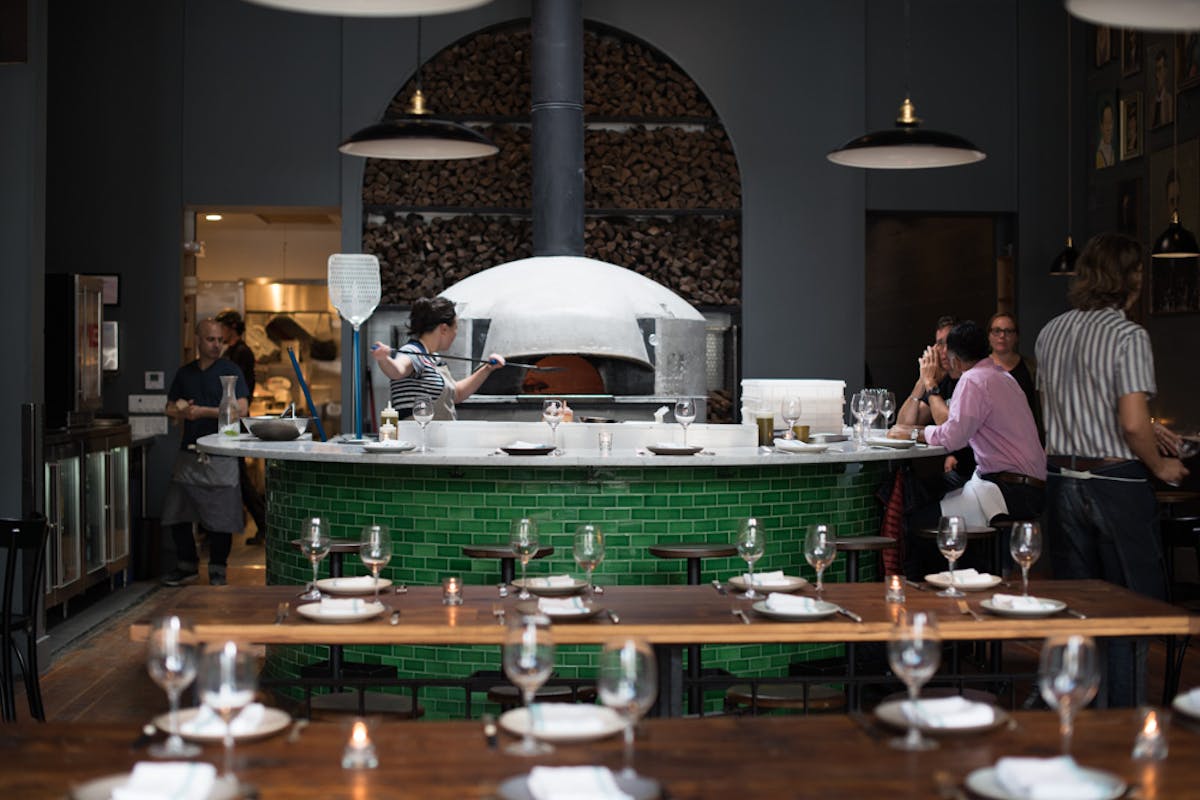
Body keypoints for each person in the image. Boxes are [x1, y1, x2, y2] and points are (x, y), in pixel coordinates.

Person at [1035, 232, 1189, 706]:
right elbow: (1131, 422)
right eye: (1139, 270)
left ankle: (1081, 713)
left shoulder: (1050, 332)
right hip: (1114, 483)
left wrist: (1138, 432)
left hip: (1061, 481)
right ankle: (1123, 720)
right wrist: (1161, 463)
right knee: (1128, 610)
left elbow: (1053, 410)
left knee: (1078, 609)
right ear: (1129, 278)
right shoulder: (1128, 335)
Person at [899, 321, 1046, 524]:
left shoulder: (972, 379)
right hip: (1030, 487)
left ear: (956, 361)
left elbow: (953, 437)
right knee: (930, 500)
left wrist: (913, 433)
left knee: (916, 522)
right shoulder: (1003, 376)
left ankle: (955, 554)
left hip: (1010, 490)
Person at [160, 319, 250, 586]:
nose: (216, 345)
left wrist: (203, 412)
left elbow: (242, 409)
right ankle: (186, 565)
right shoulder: (185, 373)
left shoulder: (230, 371)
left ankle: (218, 569)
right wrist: (181, 410)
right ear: (197, 340)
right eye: (211, 340)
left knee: (221, 517)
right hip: (189, 452)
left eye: (220, 340)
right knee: (177, 512)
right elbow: (168, 407)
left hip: (222, 454)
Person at [369, 296, 505, 420]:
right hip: (417, 441)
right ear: (444, 329)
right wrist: (383, 359)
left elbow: (456, 393)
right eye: (455, 328)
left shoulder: (434, 358)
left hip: (438, 440)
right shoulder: (412, 351)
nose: (456, 334)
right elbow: (397, 370)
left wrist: (487, 368)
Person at [897, 314, 976, 486]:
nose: (941, 350)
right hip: (959, 471)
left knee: (915, 495)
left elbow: (951, 426)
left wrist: (930, 383)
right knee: (906, 487)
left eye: (946, 342)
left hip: (978, 473)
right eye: (938, 343)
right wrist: (922, 382)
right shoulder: (943, 380)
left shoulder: (970, 379)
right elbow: (904, 424)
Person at [215, 309, 267, 546]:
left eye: (222, 328)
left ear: (232, 328)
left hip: (234, 419)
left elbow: (240, 389)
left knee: (241, 477)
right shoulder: (232, 351)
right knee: (239, 476)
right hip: (230, 419)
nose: (219, 335)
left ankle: (264, 524)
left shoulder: (241, 352)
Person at [986, 312, 1040, 437]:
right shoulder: (979, 369)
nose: (1002, 336)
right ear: (989, 335)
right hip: (991, 441)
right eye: (996, 331)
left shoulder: (1032, 367)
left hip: (1027, 437)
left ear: (1017, 337)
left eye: (1008, 331)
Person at [1152, 49, 1173, 128]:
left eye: (1161, 69)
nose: (1159, 74)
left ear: (1166, 71)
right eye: (1157, 69)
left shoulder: (1169, 99)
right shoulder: (1152, 102)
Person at [1096, 100, 1115, 169]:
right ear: (1101, 126)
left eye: (1110, 122)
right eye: (1106, 123)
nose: (1109, 128)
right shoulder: (1098, 154)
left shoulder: (1114, 151)